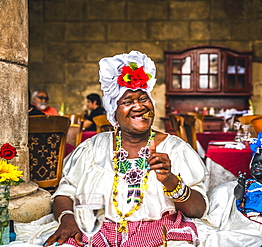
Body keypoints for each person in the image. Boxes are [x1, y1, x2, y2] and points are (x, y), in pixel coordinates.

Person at [43, 50, 208, 247]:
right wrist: (68, 219)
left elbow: (198, 209)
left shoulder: (175, 149)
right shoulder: (93, 148)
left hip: (161, 235)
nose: (139, 107)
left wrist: (170, 180)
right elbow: (65, 193)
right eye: (128, 102)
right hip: (95, 231)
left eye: (143, 99)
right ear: (114, 113)